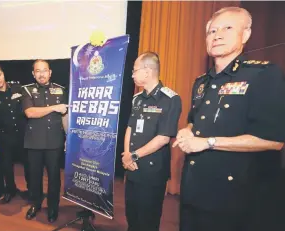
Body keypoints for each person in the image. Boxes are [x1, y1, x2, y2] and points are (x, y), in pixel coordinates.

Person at [173, 7, 285, 231]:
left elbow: (274, 140)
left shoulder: (263, 75)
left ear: (245, 35)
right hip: (194, 193)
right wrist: (187, 129)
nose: (218, 35)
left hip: (234, 200)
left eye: (228, 28)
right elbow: (194, 121)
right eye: (212, 31)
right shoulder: (202, 82)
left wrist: (208, 142)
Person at [122, 52, 182, 231]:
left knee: (148, 219)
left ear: (147, 72)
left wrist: (133, 155)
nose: (132, 75)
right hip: (132, 166)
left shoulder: (170, 99)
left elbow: (164, 138)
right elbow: (130, 128)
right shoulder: (137, 99)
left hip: (152, 171)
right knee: (131, 215)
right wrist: (127, 155)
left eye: (134, 71)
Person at [22, 59, 68, 222]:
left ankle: (53, 208)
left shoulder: (61, 90)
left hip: (54, 141)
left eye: (44, 70)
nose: (41, 74)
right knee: (34, 176)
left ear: (50, 72)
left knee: (54, 177)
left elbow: (64, 116)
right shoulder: (27, 90)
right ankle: (35, 204)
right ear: (33, 74)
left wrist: (68, 137)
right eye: (38, 71)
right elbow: (30, 112)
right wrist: (54, 108)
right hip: (34, 141)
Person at [0, 62, 30, 204]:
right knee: (6, 166)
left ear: (3, 73)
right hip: (4, 136)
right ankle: (10, 190)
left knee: (29, 165)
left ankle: (31, 190)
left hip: (24, 135)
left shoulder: (19, 89)